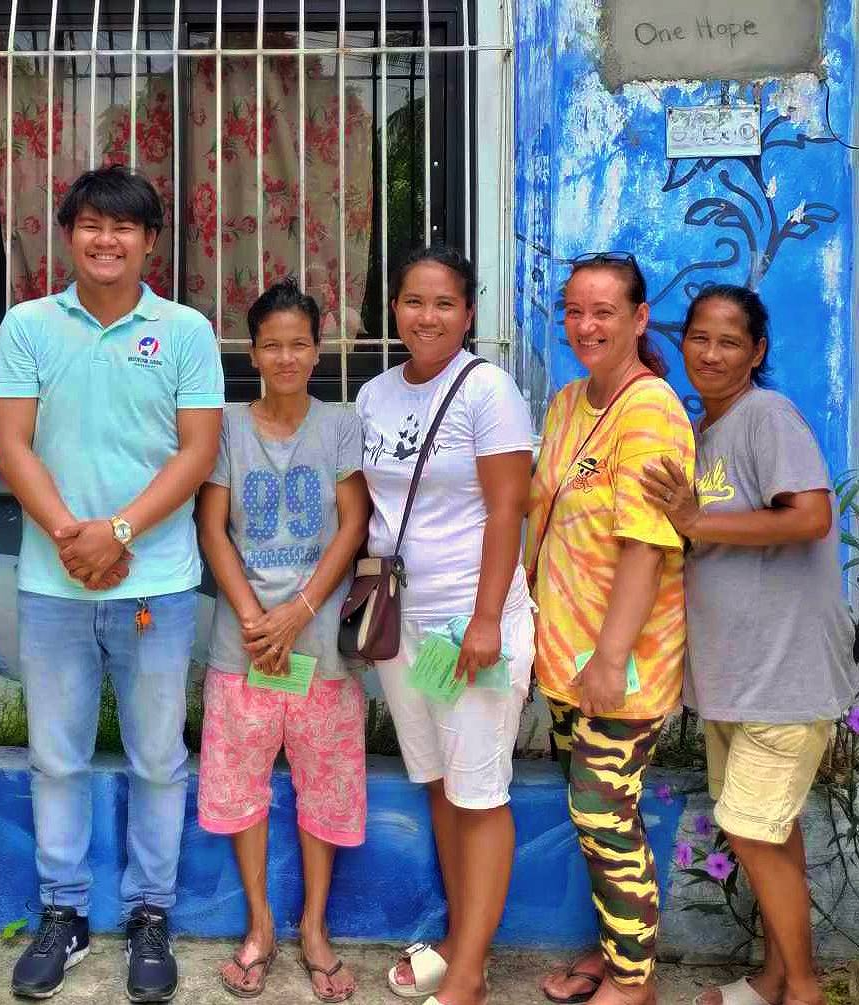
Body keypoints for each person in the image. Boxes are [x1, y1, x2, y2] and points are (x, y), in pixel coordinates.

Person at [0, 165, 225, 1002]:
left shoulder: (188, 330)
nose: (106, 240)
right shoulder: (27, 326)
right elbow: (12, 444)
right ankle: (64, 911)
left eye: (124, 227)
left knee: (158, 758)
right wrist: (69, 535)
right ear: (67, 236)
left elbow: (197, 451)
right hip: (55, 584)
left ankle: (151, 913)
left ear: (150, 241)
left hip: (155, 581)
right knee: (56, 756)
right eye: (90, 224)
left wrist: (118, 532)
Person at [642, 286, 858, 1005]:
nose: (709, 353)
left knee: (749, 827)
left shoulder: (768, 416)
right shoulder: (704, 433)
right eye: (698, 337)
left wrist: (699, 522)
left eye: (729, 341)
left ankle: (801, 991)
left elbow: (810, 515)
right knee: (770, 831)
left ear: (756, 352)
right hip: (738, 676)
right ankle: (773, 977)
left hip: (785, 674)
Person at [355, 247, 535, 1005]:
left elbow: (507, 507)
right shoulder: (374, 394)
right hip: (404, 625)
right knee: (438, 781)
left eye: (443, 304)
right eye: (412, 301)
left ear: (468, 312)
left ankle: (465, 977)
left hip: (467, 622)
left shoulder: (487, 391)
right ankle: (466, 947)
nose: (426, 317)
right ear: (392, 307)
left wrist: (488, 619)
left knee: (480, 791)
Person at [527, 253, 695, 1005]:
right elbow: (544, 515)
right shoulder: (568, 403)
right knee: (596, 814)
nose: (585, 325)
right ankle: (612, 950)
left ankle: (634, 982)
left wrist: (610, 653)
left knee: (602, 811)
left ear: (638, 316)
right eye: (574, 311)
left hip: (622, 663)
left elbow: (646, 541)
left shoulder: (651, 407)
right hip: (564, 654)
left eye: (603, 311)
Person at [195, 279, 368, 1003]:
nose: (287, 355)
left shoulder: (341, 424)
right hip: (243, 647)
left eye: (300, 342)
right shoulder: (229, 425)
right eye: (273, 343)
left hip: (320, 645)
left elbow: (354, 523)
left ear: (319, 349)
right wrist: (251, 616)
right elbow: (213, 526)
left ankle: (315, 927)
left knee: (325, 790)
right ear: (253, 350)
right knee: (241, 790)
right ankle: (261, 924)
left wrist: (297, 612)